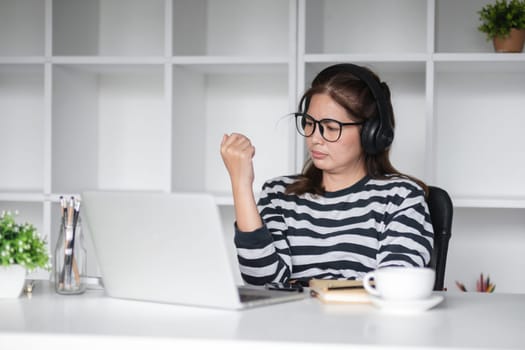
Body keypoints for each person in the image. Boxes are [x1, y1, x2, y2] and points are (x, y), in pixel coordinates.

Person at [220, 63, 433, 286]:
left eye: (331, 128)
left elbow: (395, 287)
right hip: (288, 321)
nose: (315, 138)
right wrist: (240, 183)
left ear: (373, 133)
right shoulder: (278, 194)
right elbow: (261, 283)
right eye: (310, 124)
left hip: (364, 321)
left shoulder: (401, 197)